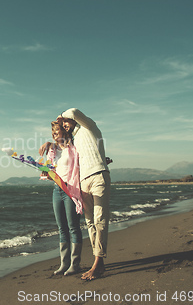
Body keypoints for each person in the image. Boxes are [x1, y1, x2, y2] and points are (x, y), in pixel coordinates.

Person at [39, 108, 111, 281]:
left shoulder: (83, 134)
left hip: (84, 184)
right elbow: (57, 167)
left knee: (88, 222)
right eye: (55, 131)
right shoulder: (62, 146)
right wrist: (47, 170)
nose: (57, 133)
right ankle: (68, 262)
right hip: (70, 186)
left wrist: (62, 117)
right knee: (77, 225)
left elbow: (74, 113)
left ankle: (86, 263)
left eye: (61, 128)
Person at [43, 121, 83, 276]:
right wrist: (47, 173)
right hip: (57, 190)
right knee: (61, 228)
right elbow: (52, 170)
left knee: (73, 227)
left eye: (57, 131)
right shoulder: (52, 150)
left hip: (71, 189)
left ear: (65, 131)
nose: (54, 135)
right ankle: (63, 263)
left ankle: (75, 264)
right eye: (52, 132)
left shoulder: (74, 147)